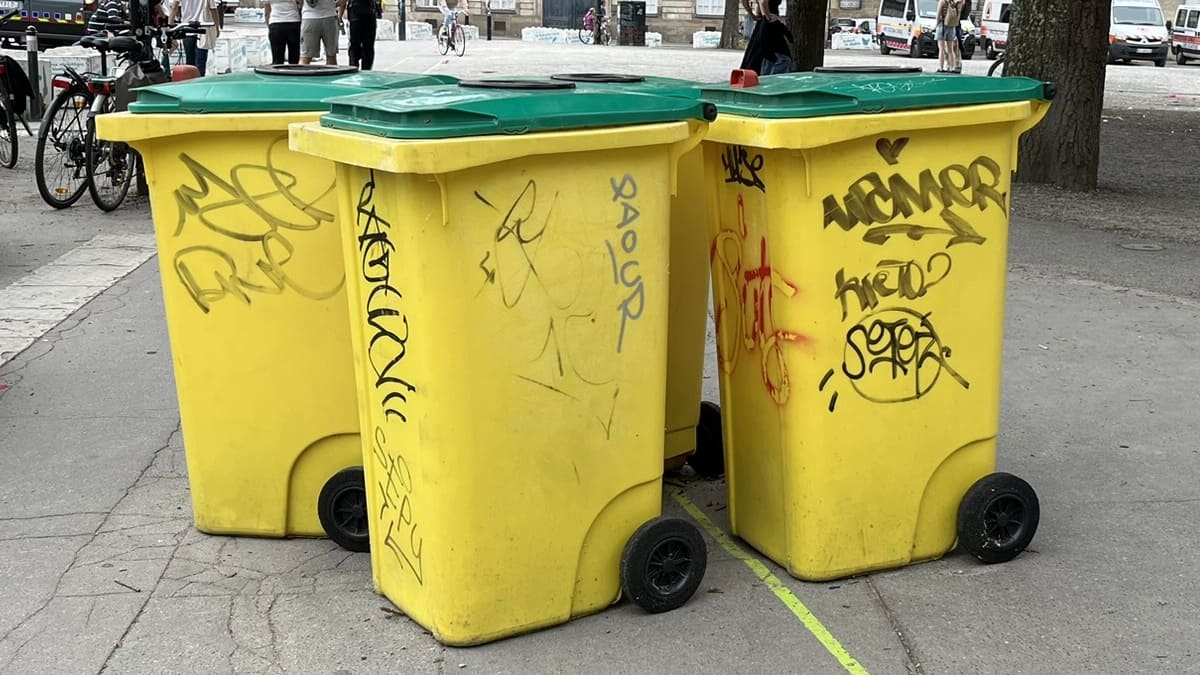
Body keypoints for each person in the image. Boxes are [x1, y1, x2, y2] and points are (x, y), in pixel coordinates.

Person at [740, 0, 792, 75]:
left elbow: (745, 1)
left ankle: (764, 79)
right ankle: (771, 82)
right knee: (782, 58)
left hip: (762, 24)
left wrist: (752, 14)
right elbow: (763, 1)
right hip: (769, 25)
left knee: (764, 55)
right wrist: (768, 16)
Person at [171, 0, 220, 76]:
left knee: (190, 62)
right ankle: (199, 82)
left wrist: (170, 25)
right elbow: (213, 9)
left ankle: (190, 82)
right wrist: (216, 27)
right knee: (201, 62)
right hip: (202, 29)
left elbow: (174, 7)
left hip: (187, 28)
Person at [300, 0, 344, 65]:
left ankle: (301, 74)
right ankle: (331, 74)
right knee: (331, 56)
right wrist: (335, 4)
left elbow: (298, 1)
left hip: (309, 17)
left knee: (305, 57)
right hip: (329, 16)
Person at [341, 0, 378, 69]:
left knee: (357, 45)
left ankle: (356, 68)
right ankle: (362, 69)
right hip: (365, 11)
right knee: (365, 45)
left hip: (358, 12)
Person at [265, 0, 303, 64]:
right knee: (294, 58)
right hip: (293, 22)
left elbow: (267, 12)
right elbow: (301, 3)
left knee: (277, 59)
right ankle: (294, 72)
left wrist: (270, 27)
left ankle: (278, 72)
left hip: (275, 23)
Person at [936, 0, 961, 73]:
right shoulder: (953, 2)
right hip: (951, 26)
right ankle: (952, 67)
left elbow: (937, 15)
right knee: (950, 49)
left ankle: (941, 68)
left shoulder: (942, 1)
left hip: (942, 25)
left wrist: (936, 24)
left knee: (941, 48)